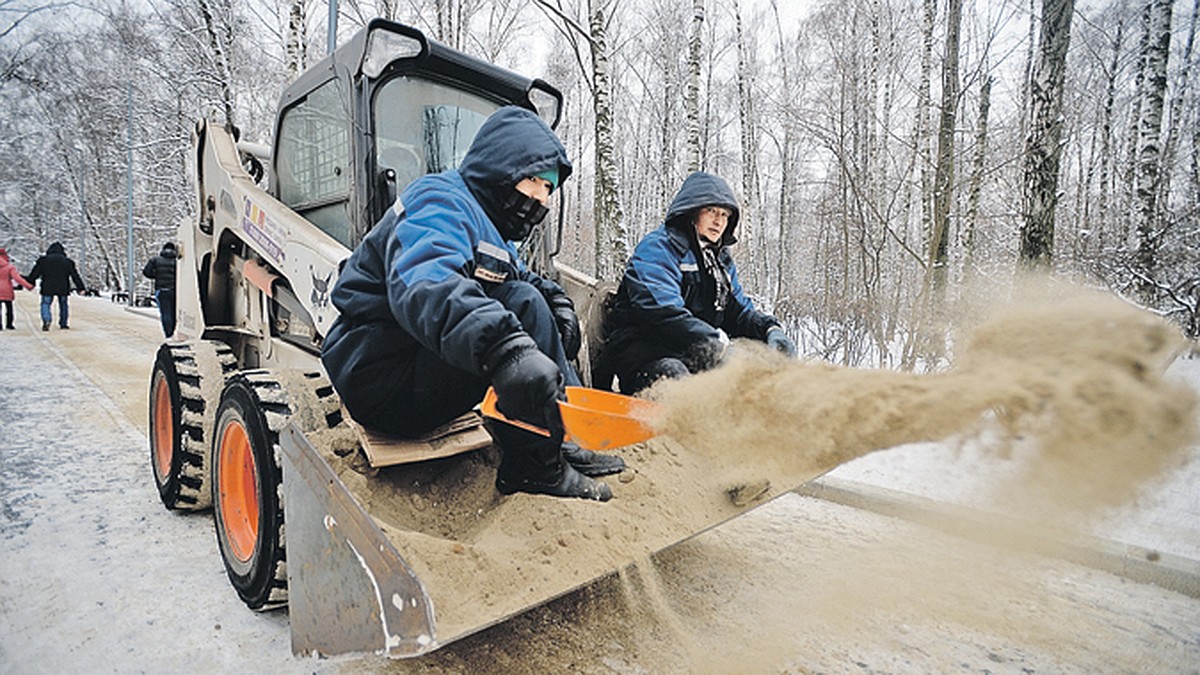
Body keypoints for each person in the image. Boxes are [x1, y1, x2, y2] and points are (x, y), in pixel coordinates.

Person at [321, 105, 624, 502]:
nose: (541, 199)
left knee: (530, 299)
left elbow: (516, 277)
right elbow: (427, 282)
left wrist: (559, 303)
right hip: (379, 374)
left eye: (549, 189)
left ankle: (562, 436)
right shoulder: (440, 201)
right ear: (503, 168)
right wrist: (506, 349)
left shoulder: (488, 227)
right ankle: (536, 469)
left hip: (409, 364)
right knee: (522, 306)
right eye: (534, 181)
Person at [598, 171, 797, 395]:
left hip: (692, 351)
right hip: (644, 351)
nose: (718, 220)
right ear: (692, 211)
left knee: (752, 384)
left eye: (725, 214)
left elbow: (738, 311)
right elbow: (661, 310)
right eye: (711, 210)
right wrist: (716, 343)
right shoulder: (659, 247)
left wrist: (769, 329)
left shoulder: (720, 261)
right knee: (678, 381)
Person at [25, 242, 85, 331]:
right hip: (63, 287)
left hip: (47, 287)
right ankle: (63, 323)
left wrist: (30, 282)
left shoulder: (43, 261)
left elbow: (35, 273)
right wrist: (81, 288)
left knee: (45, 304)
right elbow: (75, 276)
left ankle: (46, 319)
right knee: (63, 305)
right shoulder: (68, 262)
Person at [143, 241, 178, 338]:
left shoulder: (155, 260)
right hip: (175, 291)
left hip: (161, 290)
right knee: (173, 312)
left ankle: (168, 334)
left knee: (165, 313)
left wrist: (157, 276)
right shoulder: (178, 261)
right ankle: (174, 331)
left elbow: (146, 272)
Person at [0, 247, 34, 330]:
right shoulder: (9, 267)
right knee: (9, 308)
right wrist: (28, 286)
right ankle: (9, 324)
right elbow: (17, 278)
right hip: (7, 289)